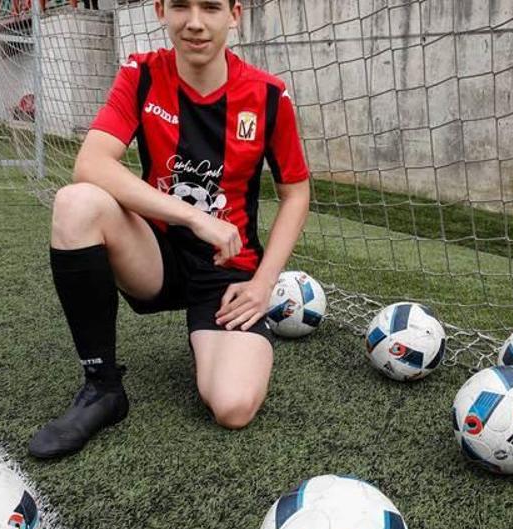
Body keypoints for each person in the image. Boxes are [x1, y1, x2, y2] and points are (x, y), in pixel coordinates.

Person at [29, 0, 311, 459]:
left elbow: (296, 194)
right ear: (161, 10)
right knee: (76, 202)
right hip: (154, 255)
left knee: (233, 406)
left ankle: (216, 339)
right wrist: (195, 217)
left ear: (234, 14)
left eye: (211, 8)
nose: (195, 22)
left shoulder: (268, 96)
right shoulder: (141, 74)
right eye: (181, 5)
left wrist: (264, 283)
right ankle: (102, 388)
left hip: (227, 275)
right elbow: (91, 163)